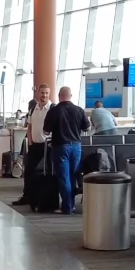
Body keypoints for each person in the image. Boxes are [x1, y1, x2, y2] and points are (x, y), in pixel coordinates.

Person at [43, 86, 91, 215]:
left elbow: (45, 131)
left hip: (61, 147)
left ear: (59, 96)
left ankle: (67, 207)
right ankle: (71, 205)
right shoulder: (79, 110)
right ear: (71, 96)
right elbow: (87, 128)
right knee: (73, 175)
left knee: (64, 177)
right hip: (76, 147)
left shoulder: (54, 111)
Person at [12, 85, 53, 206]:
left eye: (46, 93)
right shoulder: (33, 109)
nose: (44, 95)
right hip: (34, 145)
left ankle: (46, 198)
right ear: (38, 93)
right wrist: (30, 142)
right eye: (42, 93)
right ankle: (27, 196)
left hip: (48, 146)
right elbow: (29, 126)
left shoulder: (52, 108)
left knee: (47, 173)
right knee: (29, 171)